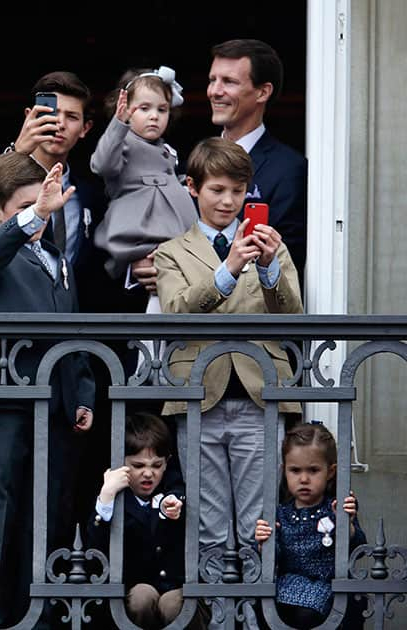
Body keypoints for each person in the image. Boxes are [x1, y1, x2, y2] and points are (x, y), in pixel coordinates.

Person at [155, 137, 302, 628]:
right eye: (217, 189)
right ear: (192, 187)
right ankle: (219, 618)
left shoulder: (270, 244)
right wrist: (228, 268)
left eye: (238, 191)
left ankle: (257, 619)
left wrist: (265, 267)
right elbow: (176, 312)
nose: (228, 202)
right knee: (209, 523)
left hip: (261, 396)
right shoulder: (171, 252)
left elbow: (293, 314)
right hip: (199, 398)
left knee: (258, 523)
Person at [0, 152, 95, 626]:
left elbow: (74, 331)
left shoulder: (60, 259)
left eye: (46, 204)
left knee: (48, 510)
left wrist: (83, 394)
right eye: (26, 205)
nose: (42, 212)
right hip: (7, 399)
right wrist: (33, 216)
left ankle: (36, 615)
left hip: (56, 404)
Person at [0, 71, 116, 312]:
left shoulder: (91, 193)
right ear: (29, 117)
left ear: (85, 128)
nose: (59, 123)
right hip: (12, 331)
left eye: (72, 116)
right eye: (51, 113)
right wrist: (16, 153)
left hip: (76, 330)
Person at [84, 412, 206, 630]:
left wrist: (176, 506)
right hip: (131, 597)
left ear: (167, 463)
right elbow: (95, 552)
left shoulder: (175, 489)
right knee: (142, 596)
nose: (148, 474)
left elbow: (179, 498)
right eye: (138, 466)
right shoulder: (115, 497)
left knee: (173, 604)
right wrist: (106, 498)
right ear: (121, 463)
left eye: (157, 465)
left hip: (175, 588)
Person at [207, 39, 308, 277]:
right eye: (213, 80)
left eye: (229, 82)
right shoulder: (192, 160)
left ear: (263, 92)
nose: (215, 91)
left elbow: (285, 262)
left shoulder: (289, 169)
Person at [90, 66, 196, 288]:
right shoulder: (121, 142)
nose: (154, 116)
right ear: (126, 110)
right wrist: (117, 126)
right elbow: (102, 164)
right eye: (144, 108)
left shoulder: (168, 150)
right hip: (136, 237)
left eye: (162, 109)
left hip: (172, 243)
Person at [255, 422, 366, 629]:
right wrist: (264, 544)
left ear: (330, 472)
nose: (304, 479)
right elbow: (272, 559)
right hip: (287, 585)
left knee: (309, 613)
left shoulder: (336, 508)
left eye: (313, 470)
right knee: (265, 607)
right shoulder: (280, 513)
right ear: (284, 471)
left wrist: (347, 524)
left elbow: (358, 549)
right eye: (295, 470)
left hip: (329, 586)